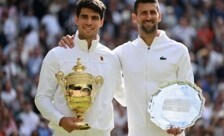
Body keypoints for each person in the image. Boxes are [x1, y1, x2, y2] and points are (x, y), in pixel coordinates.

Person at [59, 0, 194, 136]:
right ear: (134, 18)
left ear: (159, 16)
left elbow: (189, 93)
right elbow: (92, 54)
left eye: (152, 12)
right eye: (143, 13)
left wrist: (181, 122)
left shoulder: (179, 50)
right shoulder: (121, 53)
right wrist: (75, 42)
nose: (148, 17)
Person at [35, 0, 125, 136]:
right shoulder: (57, 54)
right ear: (76, 19)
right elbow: (41, 98)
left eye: (94, 18)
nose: (89, 22)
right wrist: (60, 120)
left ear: (101, 22)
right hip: (65, 133)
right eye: (84, 17)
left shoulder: (111, 58)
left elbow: (124, 97)